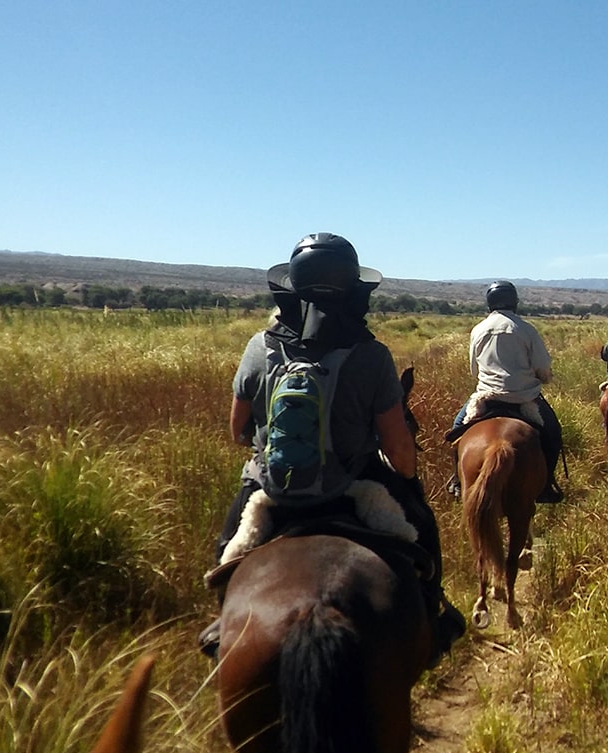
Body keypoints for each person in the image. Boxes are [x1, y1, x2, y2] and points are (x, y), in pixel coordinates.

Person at [199, 232, 464, 665]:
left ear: (292, 285)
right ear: (355, 290)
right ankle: (434, 617)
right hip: (356, 484)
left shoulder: (259, 347)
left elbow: (237, 431)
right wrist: (408, 479)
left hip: (274, 488)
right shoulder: (372, 354)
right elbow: (398, 447)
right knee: (423, 533)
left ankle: (221, 623)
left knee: (228, 547)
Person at [445, 280, 564, 503]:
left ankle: (457, 480)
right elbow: (542, 366)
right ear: (514, 302)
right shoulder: (526, 329)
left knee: (456, 430)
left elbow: (474, 369)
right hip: (524, 398)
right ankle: (546, 485)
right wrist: (544, 378)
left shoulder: (478, 330)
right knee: (553, 434)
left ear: (489, 303)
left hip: (486, 397)